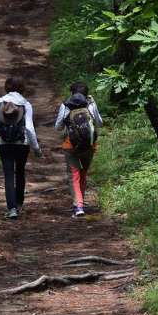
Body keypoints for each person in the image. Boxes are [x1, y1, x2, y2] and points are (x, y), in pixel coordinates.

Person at [0, 74, 42, 219]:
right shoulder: (26, 104)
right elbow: (29, 128)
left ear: (7, 86)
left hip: (4, 143)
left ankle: (11, 208)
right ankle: (19, 203)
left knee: (8, 175)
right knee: (20, 172)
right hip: (22, 144)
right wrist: (36, 148)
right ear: (22, 87)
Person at [55, 81, 103, 217]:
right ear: (85, 94)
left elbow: (58, 127)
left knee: (74, 175)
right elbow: (99, 123)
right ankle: (80, 202)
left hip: (71, 145)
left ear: (72, 93)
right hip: (90, 145)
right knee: (83, 173)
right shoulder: (91, 104)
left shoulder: (65, 106)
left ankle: (79, 206)